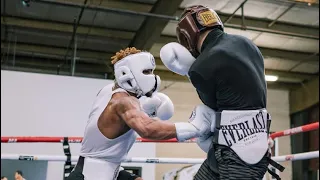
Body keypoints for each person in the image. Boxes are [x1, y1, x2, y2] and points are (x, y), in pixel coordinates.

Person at [160, 5, 285, 180]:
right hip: (237, 148)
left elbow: (212, 106)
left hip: (238, 154)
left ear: (186, 38)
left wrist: (189, 71)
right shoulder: (248, 44)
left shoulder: (200, 66)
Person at [66, 47, 215, 180]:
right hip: (91, 174)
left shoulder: (109, 90)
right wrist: (193, 128)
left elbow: (119, 119)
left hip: (108, 169)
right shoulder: (124, 102)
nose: (153, 77)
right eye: (147, 72)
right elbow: (147, 129)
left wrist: (143, 109)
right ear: (125, 73)